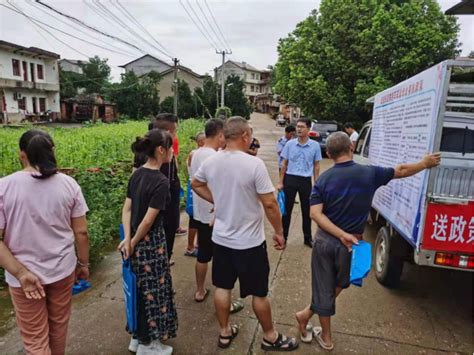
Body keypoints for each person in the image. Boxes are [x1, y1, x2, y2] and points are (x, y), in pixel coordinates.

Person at [294, 132, 441, 351]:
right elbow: (401, 170)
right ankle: (325, 336)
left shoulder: (324, 179)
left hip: (327, 241)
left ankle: (305, 314)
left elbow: (315, 214)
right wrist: (424, 163)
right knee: (336, 285)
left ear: (328, 153)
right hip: (351, 242)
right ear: (351, 148)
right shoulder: (369, 174)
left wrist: (339, 234)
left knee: (333, 285)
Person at [192, 117, 298, 351]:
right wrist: (279, 232)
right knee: (259, 293)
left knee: (222, 287)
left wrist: (216, 200)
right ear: (244, 136)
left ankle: (224, 332)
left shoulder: (211, 161)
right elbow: (270, 204)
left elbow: (195, 184)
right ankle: (270, 337)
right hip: (249, 243)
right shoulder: (253, 164)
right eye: (249, 134)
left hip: (221, 239)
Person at [0, 130, 90, 355]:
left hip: (24, 279)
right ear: (52, 152)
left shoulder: (4, 187)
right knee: (58, 328)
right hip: (62, 270)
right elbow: (81, 232)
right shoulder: (69, 185)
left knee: (35, 339)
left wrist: (20, 273)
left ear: (22, 155)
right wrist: (84, 265)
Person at [119, 129, 178, 355]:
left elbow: (127, 209)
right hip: (151, 245)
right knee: (154, 290)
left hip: (133, 242)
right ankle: (150, 344)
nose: (173, 152)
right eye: (170, 147)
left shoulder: (137, 174)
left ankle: (137, 338)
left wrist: (127, 239)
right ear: (161, 150)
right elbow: (147, 221)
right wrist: (132, 241)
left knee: (137, 291)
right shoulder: (161, 181)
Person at [190, 119, 226, 302]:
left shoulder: (196, 153)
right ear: (219, 135)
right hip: (214, 214)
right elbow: (219, 186)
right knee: (220, 258)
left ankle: (199, 290)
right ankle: (223, 298)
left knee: (203, 254)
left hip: (200, 212)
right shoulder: (214, 157)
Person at [277, 117, 322, 247]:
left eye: (302, 127)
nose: (298, 129)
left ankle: (307, 238)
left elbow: (316, 165)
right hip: (290, 179)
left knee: (306, 211)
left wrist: (316, 184)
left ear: (309, 129)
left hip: (305, 181)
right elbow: (284, 164)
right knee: (286, 211)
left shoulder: (315, 146)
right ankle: (283, 237)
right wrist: (281, 182)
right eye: (297, 126)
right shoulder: (290, 144)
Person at [149, 114, 181, 263]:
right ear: (167, 132)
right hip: (161, 206)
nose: (176, 135)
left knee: (169, 231)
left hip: (170, 203)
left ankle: (165, 261)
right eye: (174, 131)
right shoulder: (152, 154)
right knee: (163, 233)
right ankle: (161, 265)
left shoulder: (168, 151)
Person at [184, 132, 205, 257]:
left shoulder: (198, 153)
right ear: (201, 142)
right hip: (195, 188)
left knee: (199, 219)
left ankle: (197, 244)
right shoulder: (194, 154)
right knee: (194, 219)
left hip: (197, 187)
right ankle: (190, 247)